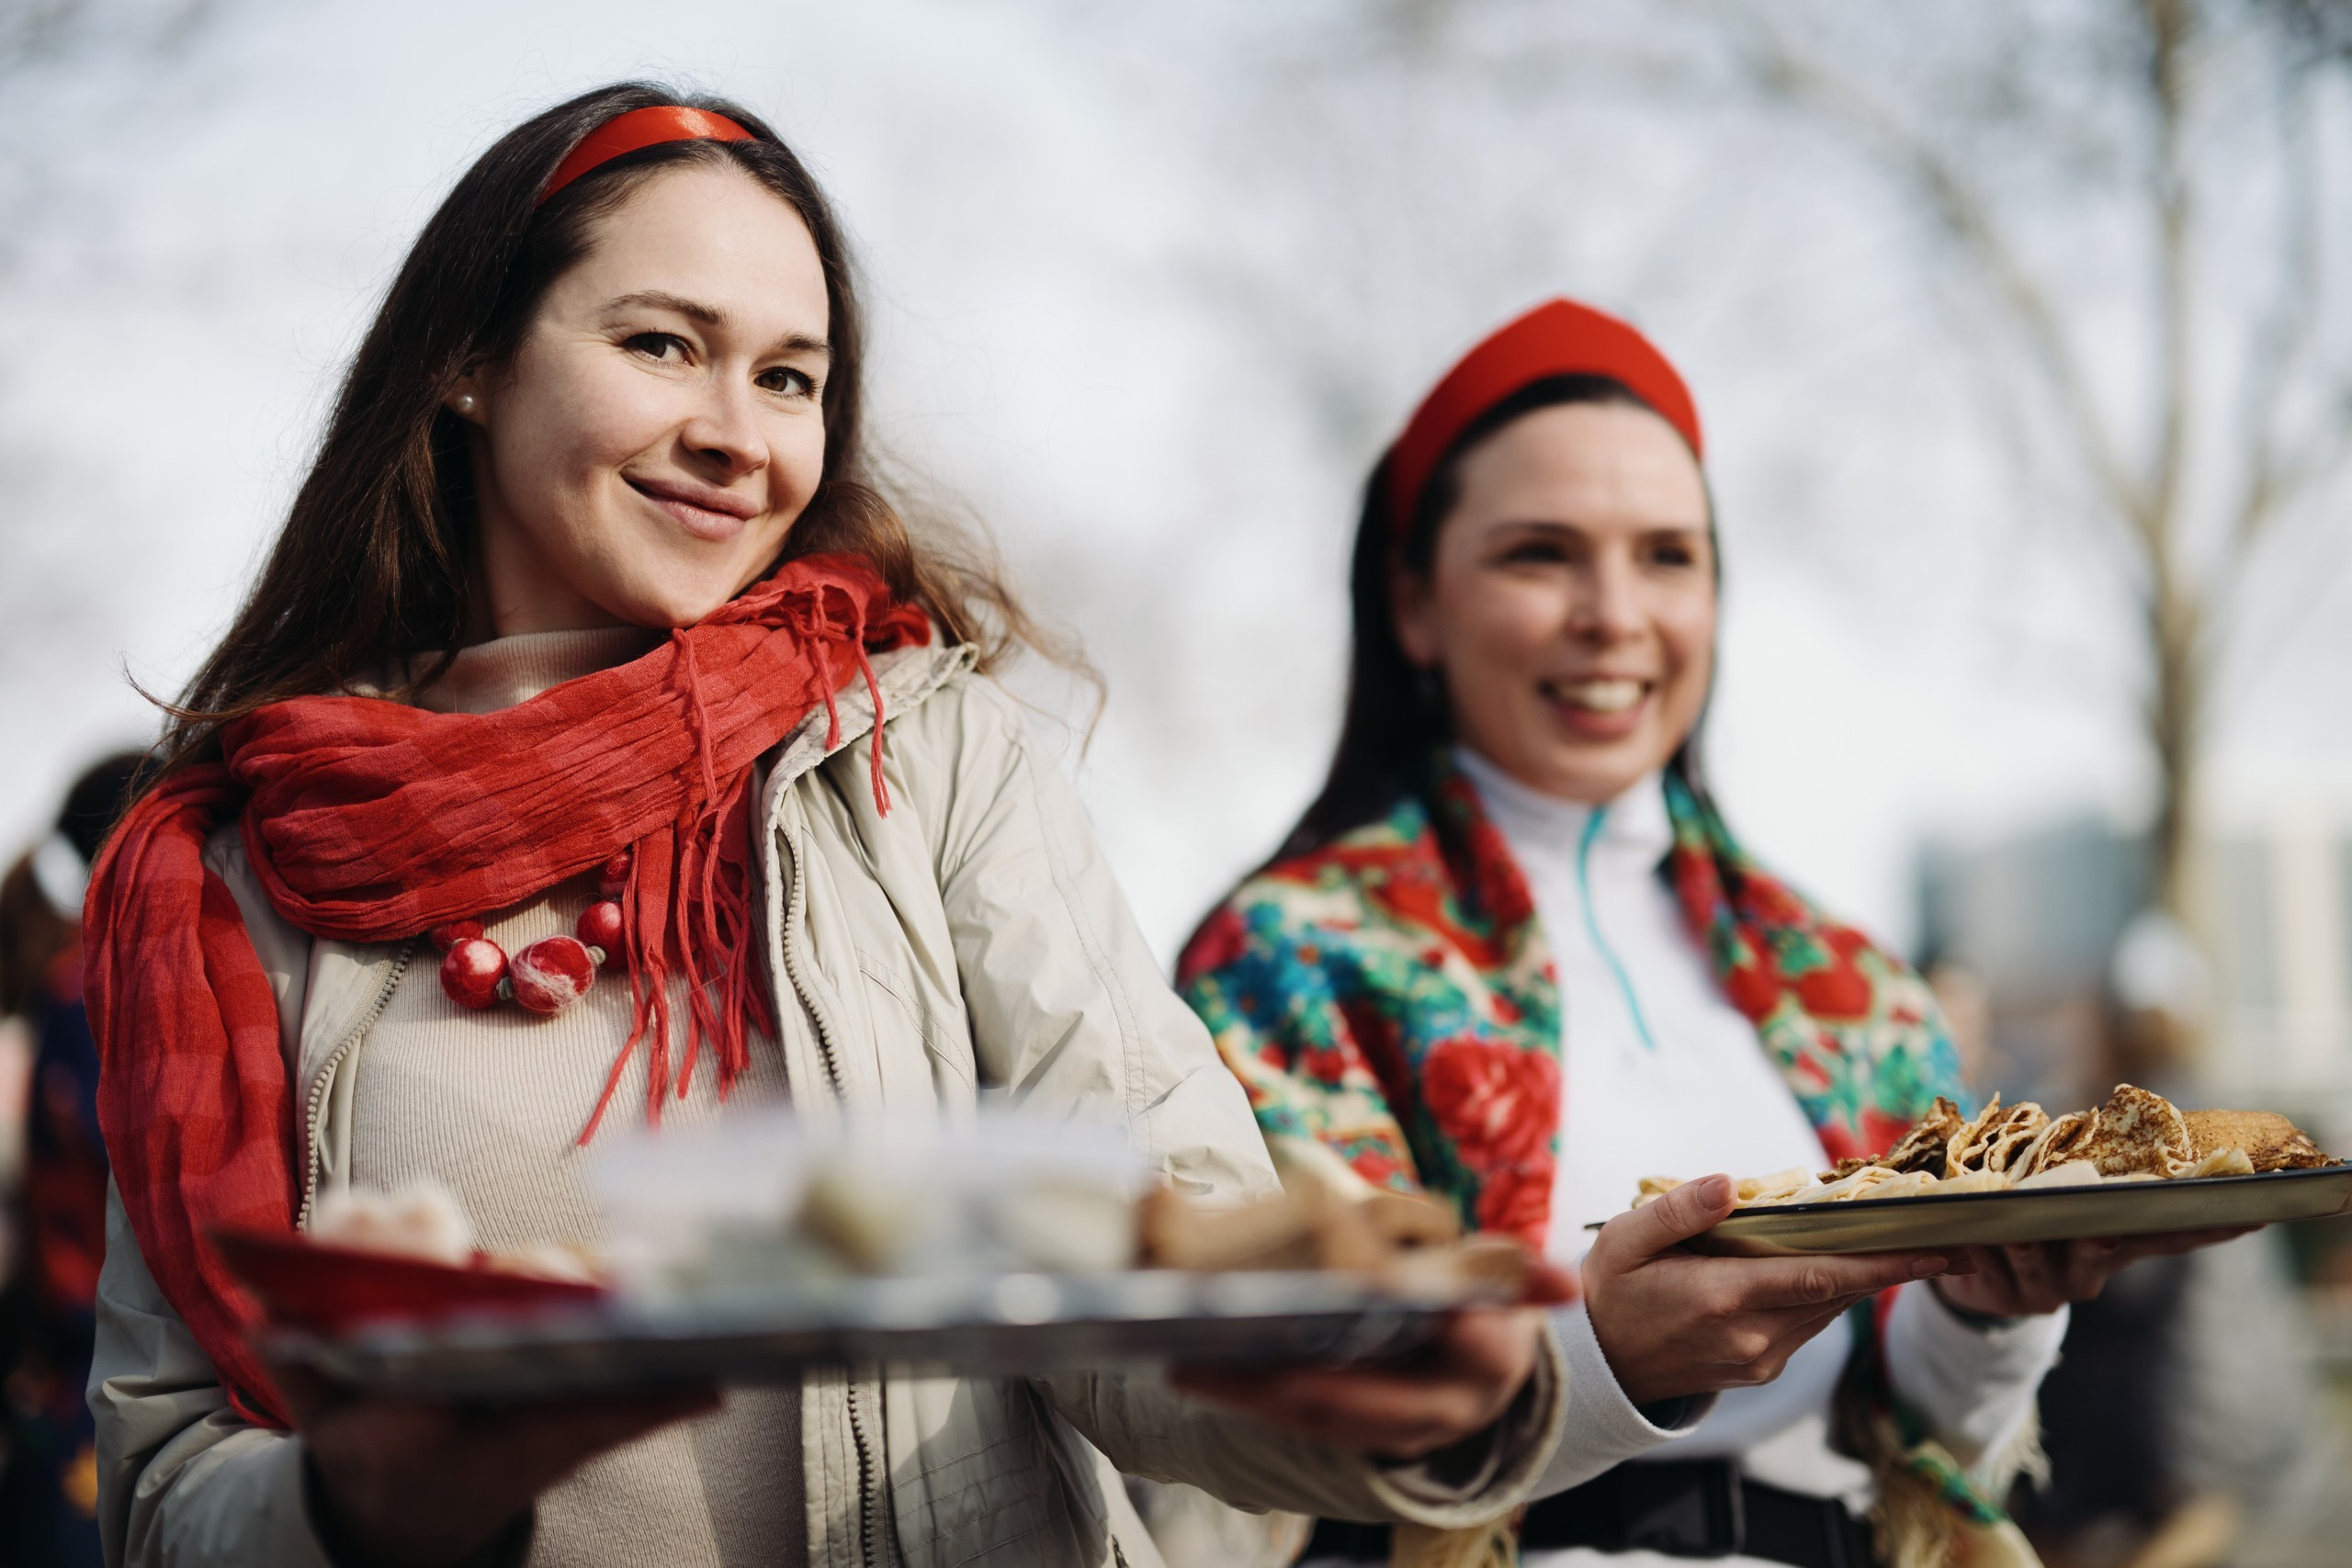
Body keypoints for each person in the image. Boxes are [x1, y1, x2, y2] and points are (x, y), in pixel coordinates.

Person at [81, 87, 1574, 1568]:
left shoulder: (925, 759)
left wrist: (1399, 1390)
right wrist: (361, 1504)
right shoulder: (238, 868)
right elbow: (168, 1485)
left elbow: (1161, 1269)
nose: (739, 436)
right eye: (663, 344)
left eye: (792, 378)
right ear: (471, 357)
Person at [1177, 299, 2248, 1568]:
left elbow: (1938, 1447)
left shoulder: (1847, 979)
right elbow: (1268, 1412)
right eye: (1541, 553)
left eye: (1668, 555)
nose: (1615, 613)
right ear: (1415, 602)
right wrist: (1598, 1360)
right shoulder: (1286, 958)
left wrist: (1983, 1305)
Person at [0, 752, 143, 1567]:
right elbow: (123, 1158)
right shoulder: (110, 981)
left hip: (85, 1357)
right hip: (105, 1359)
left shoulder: (75, 982)